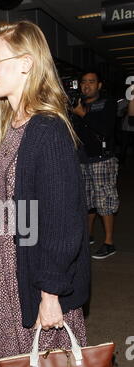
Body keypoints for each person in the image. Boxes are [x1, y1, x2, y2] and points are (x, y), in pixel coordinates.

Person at [0, 20, 90, 367]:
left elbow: (61, 221)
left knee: (41, 357)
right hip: (6, 256)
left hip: (37, 263)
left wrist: (51, 294)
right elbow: (11, 178)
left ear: (25, 64)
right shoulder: (14, 123)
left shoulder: (47, 128)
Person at [72, 71, 118, 259]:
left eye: (91, 82)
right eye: (83, 82)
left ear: (99, 85)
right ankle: (88, 235)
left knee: (104, 200)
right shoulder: (76, 106)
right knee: (86, 200)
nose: (86, 85)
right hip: (82, 158)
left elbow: (105, 129)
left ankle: (109, 242)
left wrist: (82, 114)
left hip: (102, 159)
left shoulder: (107, 104)